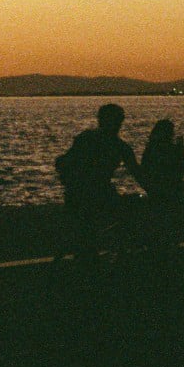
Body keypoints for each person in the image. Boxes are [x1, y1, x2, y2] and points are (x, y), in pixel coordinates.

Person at [54, 104, 138, 267]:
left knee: (88, 228)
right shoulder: (118, 146)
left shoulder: (87, 138)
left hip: (79, 190)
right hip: (93, 190)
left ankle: (88, 255)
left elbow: (66, 160)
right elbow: (137, 172)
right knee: (117, 216)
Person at [134, 118, 184, 254]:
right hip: (172, 190)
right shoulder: (170, 149)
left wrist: (149, 187)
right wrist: (180, 149)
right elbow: (183, 165)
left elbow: (144, 169)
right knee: (171, 223)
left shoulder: (151, 149)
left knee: (160, 224)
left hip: (157, 191)